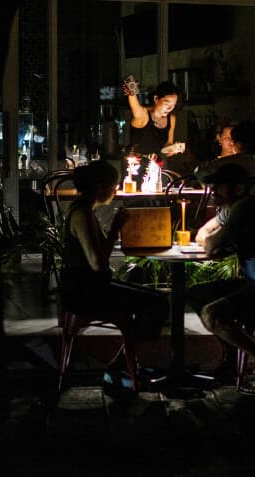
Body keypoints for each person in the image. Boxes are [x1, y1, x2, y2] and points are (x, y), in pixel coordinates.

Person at [59, 161, 170, 392]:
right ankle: (120, 365)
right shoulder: (81, 214)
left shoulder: (84, 209)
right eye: (113, 185)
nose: (115, 190)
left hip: (89, 287)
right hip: (86, 292)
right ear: (100, 186)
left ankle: (123, 364)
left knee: (153, 298)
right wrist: (115, 229)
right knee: (156, 302)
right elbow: (98, 263)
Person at [188, 163, 255, 394]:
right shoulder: (232, 209)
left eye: (219, 186)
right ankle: (230, 363)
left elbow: (211, 245)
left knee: (212, 313)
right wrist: (213, 239)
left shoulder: (247, 208)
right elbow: (201, 234)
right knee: (197, 295)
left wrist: (214, 241)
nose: (213, 190)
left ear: (238, 189)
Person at [194, 120, 255, 244]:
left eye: (233, 142)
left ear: (240, 143)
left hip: (248, 216)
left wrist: (215, 183)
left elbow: (200, 171)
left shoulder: (242, 160)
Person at [123, 78, 187, 164]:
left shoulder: (171, 119)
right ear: (156, 99)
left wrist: (173, 148)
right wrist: (131, 88)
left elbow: (166, 147)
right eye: (166, 104)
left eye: (173, 105)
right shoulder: (143, 115)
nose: (170, 108)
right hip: (135, 166)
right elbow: (133, 102)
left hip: (156, 166)